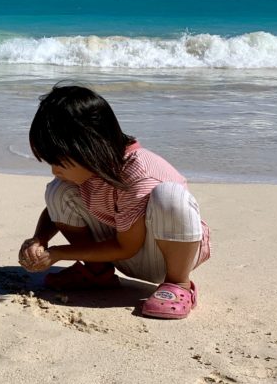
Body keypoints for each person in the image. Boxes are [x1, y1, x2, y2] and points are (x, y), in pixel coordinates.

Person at [18, 83, 210, 319]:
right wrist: (40, 238)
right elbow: (54, 211)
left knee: (169, 195)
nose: (54, 170)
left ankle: (179, 284)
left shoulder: (139, 174)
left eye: (58, 162)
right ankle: (97, 273)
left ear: (89, 147)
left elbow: (126, 247)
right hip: (125, 247)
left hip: (169, 252)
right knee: (59, 190)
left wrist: (59, 253)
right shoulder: (92, 168)